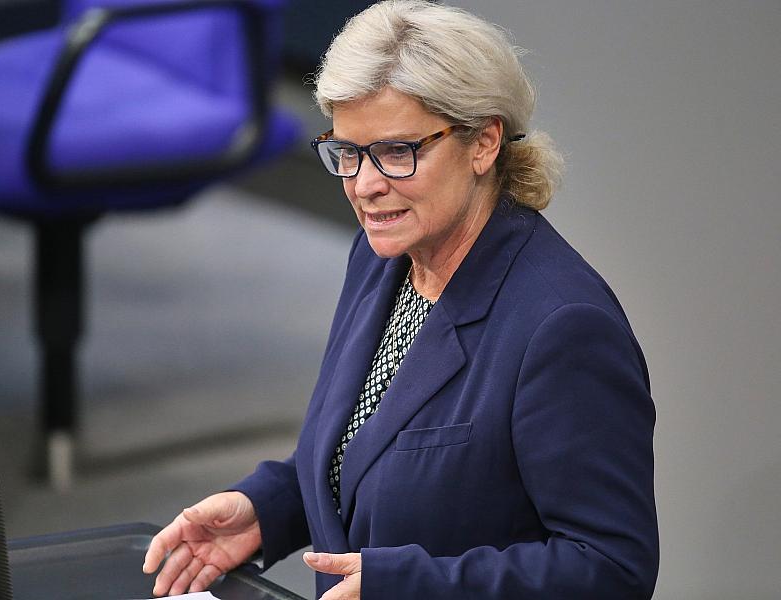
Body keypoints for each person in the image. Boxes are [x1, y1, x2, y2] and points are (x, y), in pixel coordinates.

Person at [142, 1, 660, 598]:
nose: (364, 185)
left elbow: (611, 569)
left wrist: (406, 586)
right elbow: (367, 450)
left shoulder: (564, 327)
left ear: (484, 142)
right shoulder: (381, 257)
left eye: (396, 152)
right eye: (347, 152)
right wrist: (269, 509)